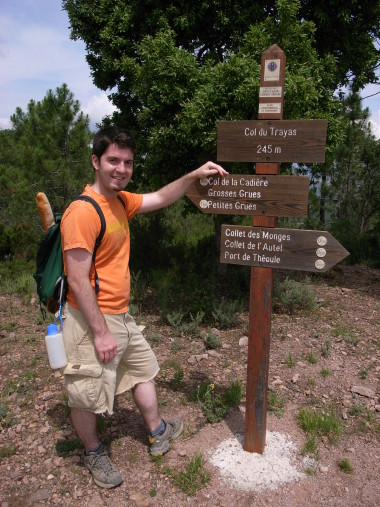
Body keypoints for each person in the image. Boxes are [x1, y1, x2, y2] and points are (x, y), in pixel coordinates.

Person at [60, 126, 228, 489]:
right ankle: (92, 450)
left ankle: (157, 431)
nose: (121, 169)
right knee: (87, 393)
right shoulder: (82, 212)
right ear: (96, 161)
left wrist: (194, 175)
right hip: (92, 320)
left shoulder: (120, 201)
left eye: (127, 162)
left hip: (121, 314)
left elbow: (160, 197)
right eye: (113, 161)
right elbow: (76, 279)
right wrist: (101, 332)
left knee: (143, 370)